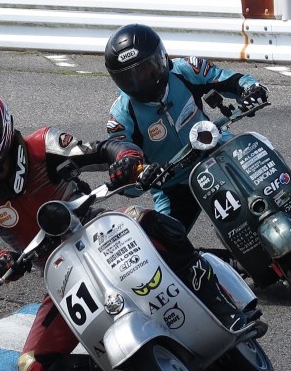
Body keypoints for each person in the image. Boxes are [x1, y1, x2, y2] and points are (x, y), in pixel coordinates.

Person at [0, 85, 253, 371]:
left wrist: (126, 158)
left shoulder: (42, 144)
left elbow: (101, 150)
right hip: (63, 275)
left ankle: (217, 300)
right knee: (34, 368)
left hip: (101, 232)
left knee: (149, 221)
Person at [103, 23, 270, 236]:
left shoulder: (187, 69)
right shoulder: (120, 118)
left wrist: (252, 89)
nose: (140, 81)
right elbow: (127, 179)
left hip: (217, 151)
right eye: (130, 78)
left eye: (145, 71)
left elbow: (230, 79)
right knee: (161, 243)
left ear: (162, 58)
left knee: (263, 162)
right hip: (171, 184)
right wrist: (134, 176)